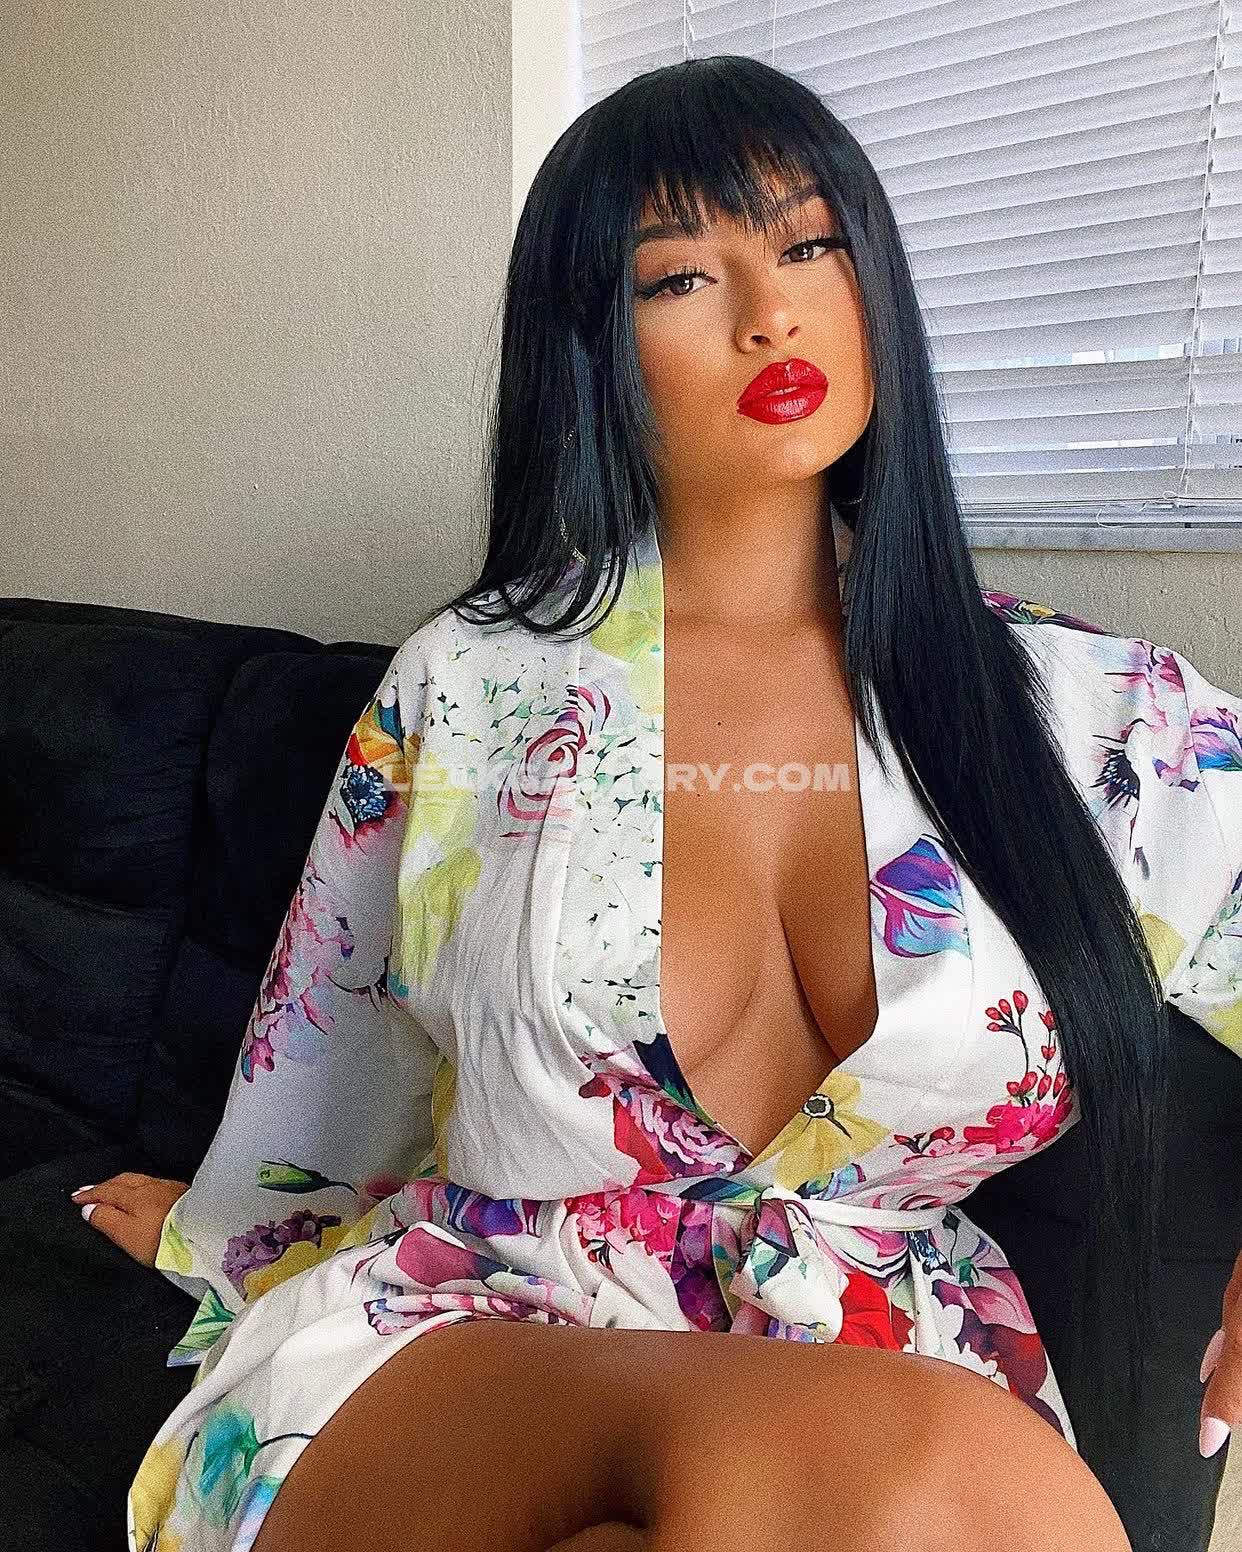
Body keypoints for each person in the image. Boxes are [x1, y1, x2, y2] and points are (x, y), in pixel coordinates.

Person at [76, 55, 1240, 1552]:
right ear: (590, 344)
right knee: (928, 1461)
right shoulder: (474, 685)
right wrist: (232, 1232)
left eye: (810, 244)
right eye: (681, 276)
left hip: (873, 1359)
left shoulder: (1095, 716)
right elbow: (342, 1033)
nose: (771, 313)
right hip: (481, 1330)